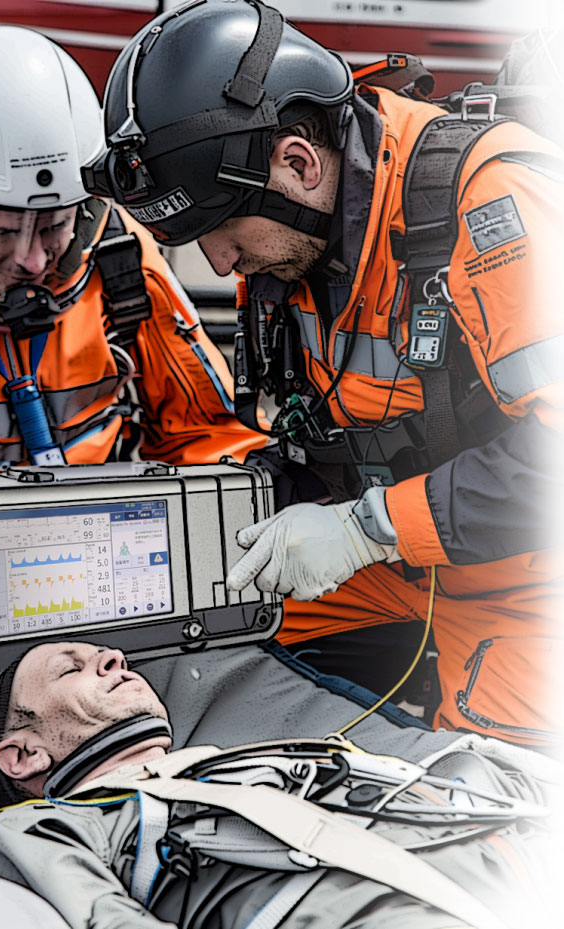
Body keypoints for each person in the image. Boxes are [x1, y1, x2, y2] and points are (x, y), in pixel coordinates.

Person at [83, 0, 564, 745]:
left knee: (493, 791)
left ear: (298, 164)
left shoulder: (491, 201)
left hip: (523, 573)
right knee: (187, 650)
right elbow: (319, 430)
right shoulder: (293, 240)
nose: (219, 264)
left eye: (217, 230)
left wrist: (366, 530)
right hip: (387, 554)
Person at [0, 24, 263, 635]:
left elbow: (210, 437)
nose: (32, 260)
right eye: (0, 232)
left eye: (54, 225)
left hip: (99, 598)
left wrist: (189, 562)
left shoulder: (118, 257)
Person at [0, 640, 556, 929]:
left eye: (106, 656)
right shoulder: (46, 825)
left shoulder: (241, 761)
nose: (114, 657)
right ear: (23, 755)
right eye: (72, 668)